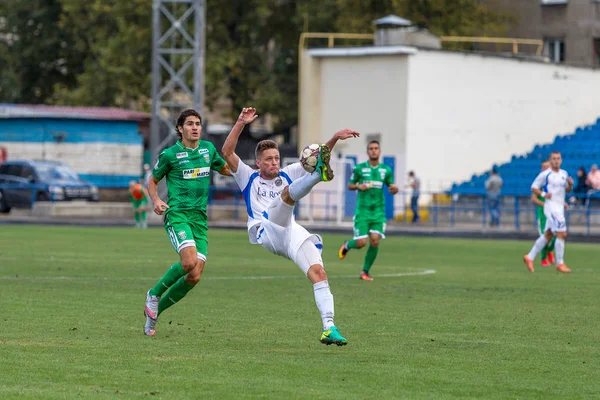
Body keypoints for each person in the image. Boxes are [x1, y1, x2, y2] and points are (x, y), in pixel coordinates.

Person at [222, 107, 359, 346]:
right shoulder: (247, 176)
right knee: (287, 195)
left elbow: (316, 158)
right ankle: (319, 177)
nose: (274, 162)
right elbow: (226, 151)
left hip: (291, 231)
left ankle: (329, 328)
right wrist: (240, 123)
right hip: (266, 230)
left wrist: (335, 138)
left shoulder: (288, 172)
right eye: (268, 159)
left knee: (319, 273)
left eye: (276, 158)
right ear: (258, 162)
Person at [143, 109, 231, 336]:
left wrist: (251, 173)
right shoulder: (170, 155)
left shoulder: (208, 150)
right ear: (180, 128)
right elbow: (152, 182)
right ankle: (153, 294)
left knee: (195, 275)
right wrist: (156, 200)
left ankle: (154, 314)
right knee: (189, 262)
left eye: (198, 123)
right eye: (190, 124)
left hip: (199, 219)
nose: (195, 127)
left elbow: (226, 169)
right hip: (178, 215)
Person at [337, 140, 399, 281]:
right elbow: (350, 185)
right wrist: (359, 186)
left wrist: (395, 189)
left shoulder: (386, 170)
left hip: (378, 212)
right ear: (367, 152)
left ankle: (365, 272)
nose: (373, 151)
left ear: (380, 151)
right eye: (371, 148)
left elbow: (392, 187)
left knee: (375, 241)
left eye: (376, 148)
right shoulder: (359, 169)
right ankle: (347, 245)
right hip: (363, 212)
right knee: (361, 243)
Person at [523, 151, 573, 273]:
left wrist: (570, 185)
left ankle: (529, 257)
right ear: (550, 161)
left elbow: (566, 190)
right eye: (554, 159)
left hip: (559, 207)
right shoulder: (546, 175)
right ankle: (560, 263)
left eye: (558, 158)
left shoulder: (564, 174)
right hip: (551, 207)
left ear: (561, 160)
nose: (556, 160)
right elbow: (533, 187)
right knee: (562, 234)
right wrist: (545, 194)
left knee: (548, 235)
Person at [530, 161, 555, 267]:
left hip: (553, 214)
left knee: (555, 237)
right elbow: (533, 199)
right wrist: (544, 204)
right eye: (544, 167)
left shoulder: (553, 183)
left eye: (548, 167)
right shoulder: (539, 184)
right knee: (544, 237)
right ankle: (543, 259)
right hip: (542, 215)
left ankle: (549, 250)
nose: (546, 169)